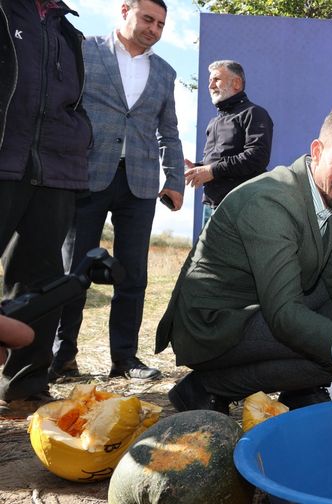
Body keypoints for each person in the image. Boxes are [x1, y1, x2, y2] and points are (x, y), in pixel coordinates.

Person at [156, 104, 332, 413]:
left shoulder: (323, 197)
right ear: (317, 151)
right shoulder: (271, 202)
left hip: (250, 311)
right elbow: (283, 312)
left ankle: (299, 392)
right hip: (211, 327)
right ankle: (206, 387)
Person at [51, 0, 184, 382]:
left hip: (140, 185)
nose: (154, 29)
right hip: (85, 175)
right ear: (125, 10)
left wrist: (174, 180)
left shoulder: (165, 71)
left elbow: (168, 131)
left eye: (160, 24)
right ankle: (62, 358)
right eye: (147, 19)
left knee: (133, 275)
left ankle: (124, 359)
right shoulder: (83, 49)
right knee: (73, 270)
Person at [0, 0, 91, 415]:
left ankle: (25, 385)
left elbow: (74, 101)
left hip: (55, 169)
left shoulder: (68, 32)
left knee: (41, 279)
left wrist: (78, 140)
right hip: (4, 156)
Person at [184, 60, 273, 228]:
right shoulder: (213, 122)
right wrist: (198, 168)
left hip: (242, 206)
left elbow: (257, 157)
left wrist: (211, 170)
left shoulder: (254, 113)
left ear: (237, 83)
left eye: (216, 79)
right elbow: (220, 161)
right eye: (209, 81)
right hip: (211, 206)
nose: (210, 85)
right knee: (207, 255)